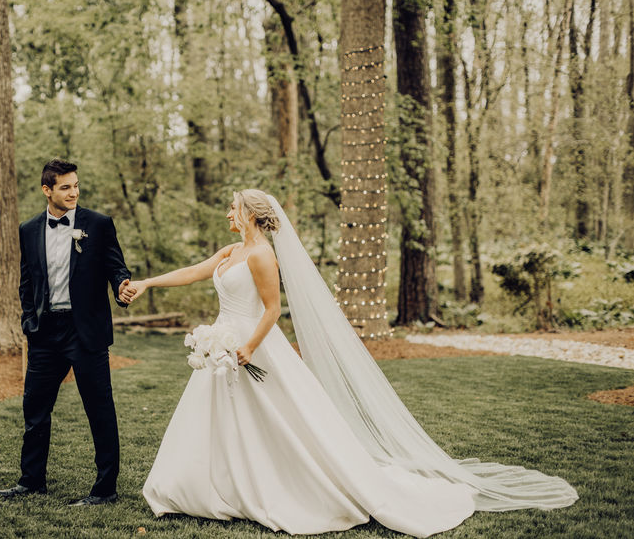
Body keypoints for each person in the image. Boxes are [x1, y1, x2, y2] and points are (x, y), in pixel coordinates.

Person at [123, 189, 577, 537]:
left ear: (251, 215)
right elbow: (194, 272)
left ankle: (280, 486)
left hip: (252, 347)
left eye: (233, 208)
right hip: (220, 349)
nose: (228, 213)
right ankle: (204, 487)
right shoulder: (231, 252)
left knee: (285, 423)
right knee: (214, 420)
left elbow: (271, 310)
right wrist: (147, 283)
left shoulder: (262, 255)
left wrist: (248, 348)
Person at [0, 159, 132, 506]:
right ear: (47, 190)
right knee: (34, 409)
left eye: (76, 185)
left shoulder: (97, 224)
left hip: (86, 332)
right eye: (65, 187)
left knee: (99, 410)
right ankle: (31, 481)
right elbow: (27, 280)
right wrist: (29, 321)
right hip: (45, 333)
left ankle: (104, 490)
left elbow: (116, 266)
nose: (74, 192)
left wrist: (122, 286)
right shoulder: (28, 229)